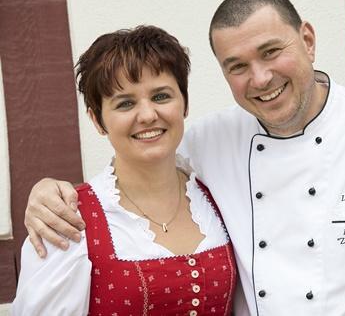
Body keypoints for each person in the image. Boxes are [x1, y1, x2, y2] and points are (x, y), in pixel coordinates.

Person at [24, 0, 345, 316]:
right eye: (237, 65)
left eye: (271, 52)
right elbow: (139, 159)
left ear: (308, 40)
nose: (261, 78)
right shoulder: (211, 140)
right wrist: (48, 191)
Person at [12, 26, 237, 315]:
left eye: (160, 97)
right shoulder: (68, 220)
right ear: (97, 120)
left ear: (185, 103)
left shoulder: (217, 194)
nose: (147, 115)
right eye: (125, 103)